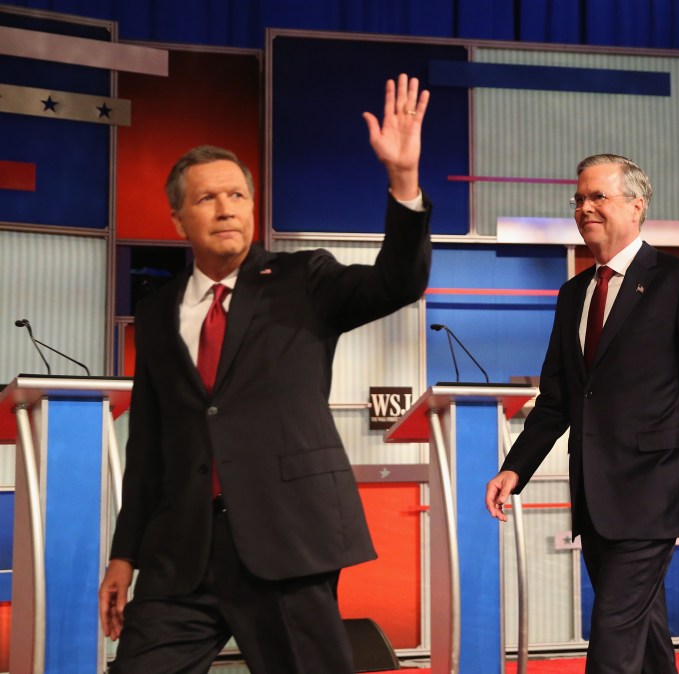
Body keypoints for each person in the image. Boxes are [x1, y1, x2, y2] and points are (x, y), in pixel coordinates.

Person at [98, 74, 431, 673]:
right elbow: (148, 445)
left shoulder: (305, 279)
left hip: (286, 543)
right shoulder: (155, 312)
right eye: (207, 199)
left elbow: (397, 282)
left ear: (253, 207)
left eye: (237, 196)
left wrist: (403, 181)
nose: (226, 209)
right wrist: (125, 555)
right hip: (180, 554)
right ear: (178, 219)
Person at [485, 154, 679, 674]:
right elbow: (558, 399)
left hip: (654, 488)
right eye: (579, 199)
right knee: (641, 624)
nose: (584, 207)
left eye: (598, 197)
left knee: (613, 633)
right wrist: (514, 468)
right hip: (596, 493)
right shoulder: (573, 295)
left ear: (636, 207)